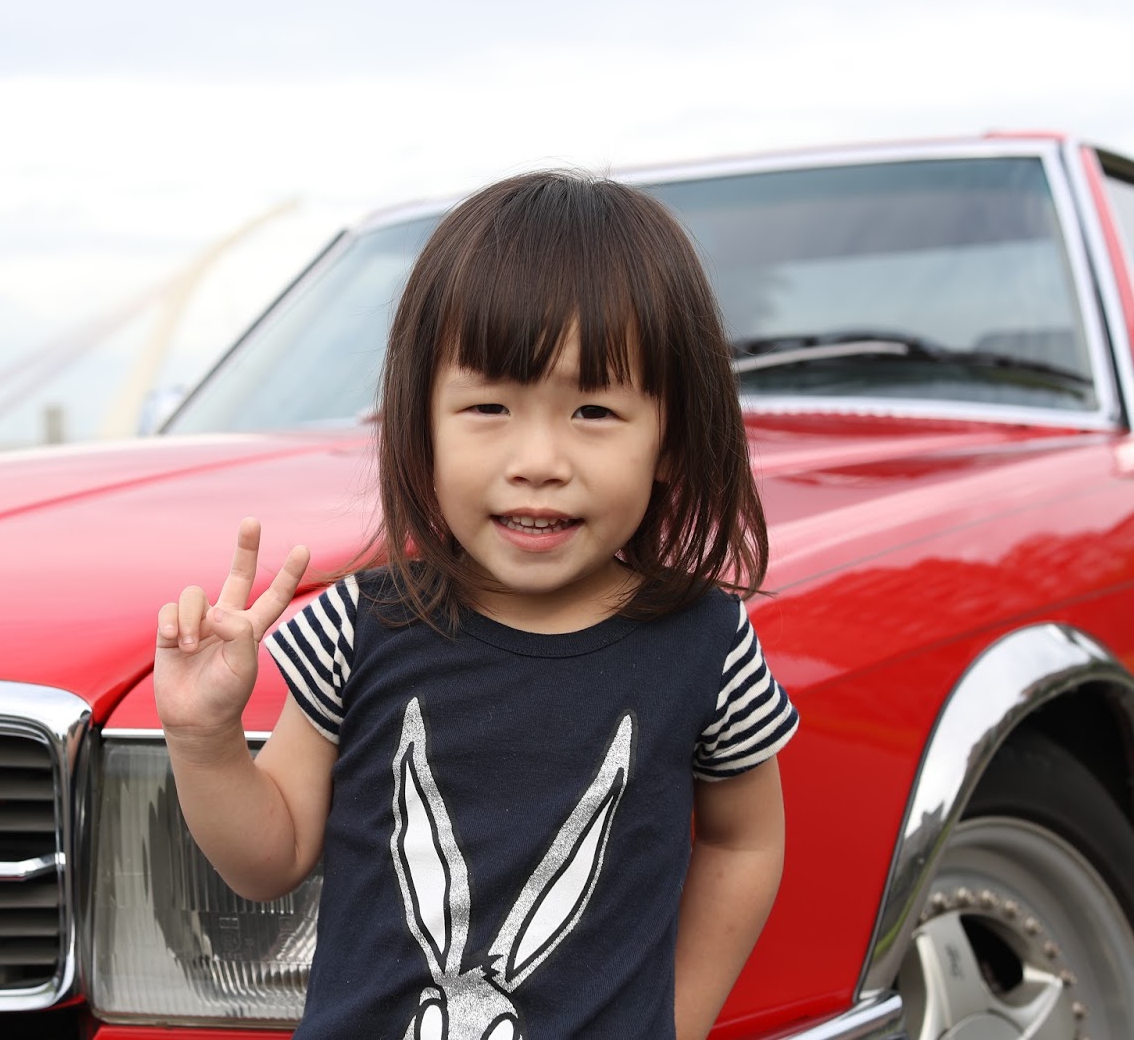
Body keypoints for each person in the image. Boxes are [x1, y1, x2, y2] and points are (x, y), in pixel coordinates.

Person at [154, 169, 798, 1040]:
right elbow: (268, 862)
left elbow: (743, 842)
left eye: (594, 411)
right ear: (421, 428)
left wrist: (674, 1022)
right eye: (489, 406)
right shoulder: (360, 629)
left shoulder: (707, 646)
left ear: (671, 441)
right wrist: (204, 739)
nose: (537, 461)